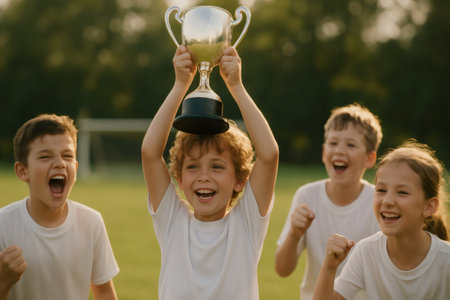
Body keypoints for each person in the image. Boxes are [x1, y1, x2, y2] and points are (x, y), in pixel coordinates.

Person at [141, 45, 278, 300]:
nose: (204, 176)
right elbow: (150, 153)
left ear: (240, 180)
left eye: (217, 166)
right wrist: (181, 85)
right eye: (193, 166)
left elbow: (269, 155)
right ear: (179, 180)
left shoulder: (246, 224)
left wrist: (236, 86)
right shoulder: (172, 221)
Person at [0, 114, 119, 300]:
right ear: (23, 171)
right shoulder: (3, 225)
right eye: (45, 156)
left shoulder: (91, 222)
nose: (59, 163)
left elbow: (104, 292)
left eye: (67, 156)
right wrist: (3, 282)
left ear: (76, 168)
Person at [313, 140, 450, 300]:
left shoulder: (446, 259)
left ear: (429, 206)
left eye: (402, 192)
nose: (387, 201)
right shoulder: (366, 252)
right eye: (381, 190)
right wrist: (329, 267)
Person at [275, 103, 383, 300]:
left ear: (369, 158)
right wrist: (294, 233)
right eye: (333, 143)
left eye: (350, 145)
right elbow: (282, 269)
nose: (339, 151)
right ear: (324, 153)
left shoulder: (379, 202)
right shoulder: (306, 196)